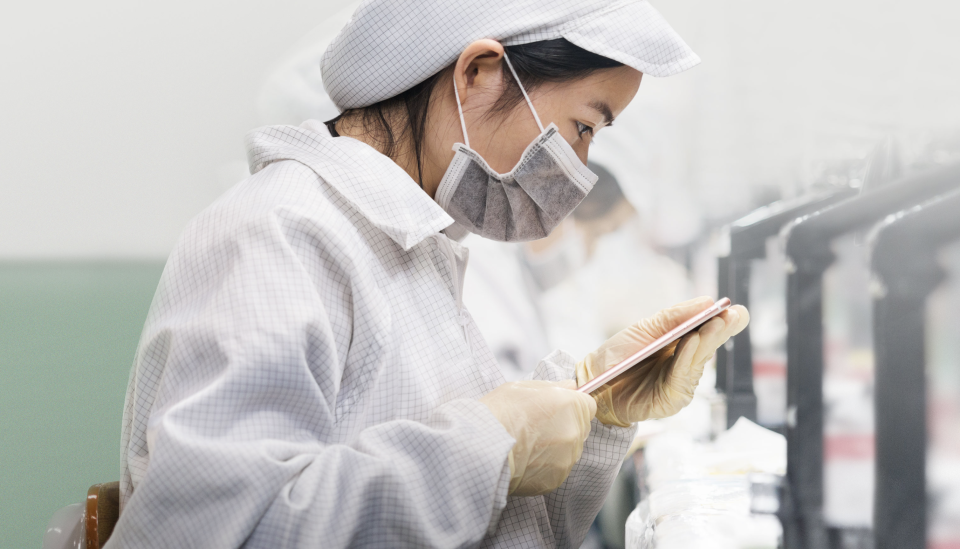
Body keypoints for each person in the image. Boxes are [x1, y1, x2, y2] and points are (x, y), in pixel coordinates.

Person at [108, 1, 749, 547]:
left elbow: (497, 521)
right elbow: (211, 531)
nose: (578, 169)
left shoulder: (410, 245)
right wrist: (487, 447)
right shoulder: (279, 234)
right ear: (478, 72)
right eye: (582, 127)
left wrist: (595, 405)